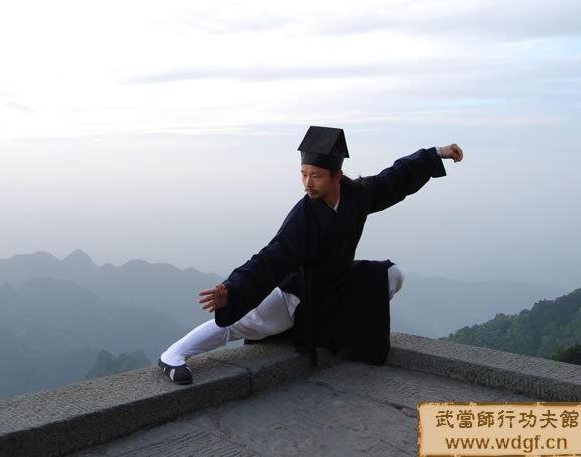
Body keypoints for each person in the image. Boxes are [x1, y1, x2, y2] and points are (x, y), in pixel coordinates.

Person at [158, 126, 464, 384]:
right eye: (303, 174)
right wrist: (232, 289)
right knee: (239, 324)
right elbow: (269, 259)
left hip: (338, 283)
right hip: (301, 293)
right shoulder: (303, 218)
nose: (307, 183)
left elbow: (394, 178)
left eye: (315, 175)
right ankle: (173, 355)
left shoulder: (357, 196)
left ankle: (345, 333)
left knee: (390, 275)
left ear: (337, 176)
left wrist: (436, 153)